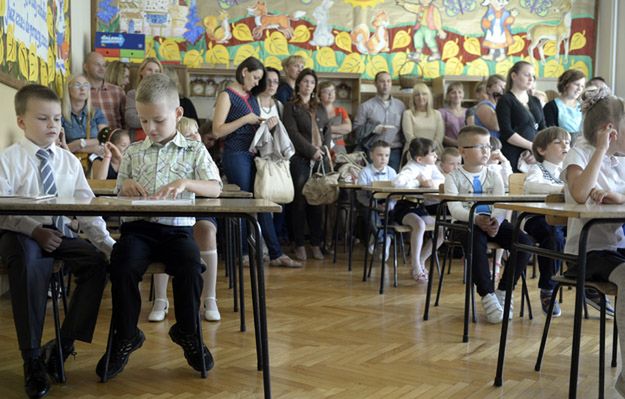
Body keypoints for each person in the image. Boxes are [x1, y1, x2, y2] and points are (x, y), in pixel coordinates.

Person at [95, 74, 221, 380]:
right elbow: (118, 188)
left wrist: (186, 182)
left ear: (177, 114)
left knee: (191, 265)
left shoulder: (193, 150)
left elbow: (215, 187)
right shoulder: (135, 152)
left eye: (158, 121)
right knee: (122, 264)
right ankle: (126, 334)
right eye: (144, 120)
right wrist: (125, 187)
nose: (150, 128)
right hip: (138, 229)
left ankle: (188, 332)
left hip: (177, 230)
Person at [0, 84, 114, 398]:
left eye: (57, 119)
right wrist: (34, 230)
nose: (53, 126)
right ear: (22, 122)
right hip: (21, 234)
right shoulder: (8, 160)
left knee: (96, 263)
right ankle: (32, 358)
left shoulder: (68, 162)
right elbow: (2, 210)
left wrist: (107, 245)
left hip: (60, 234)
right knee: (28, 261)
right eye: (43, 119)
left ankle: (62, 346)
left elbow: (87, 209)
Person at [560, 87, 625, 396]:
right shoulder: (581, 152)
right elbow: (579, 193)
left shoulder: (621, 160)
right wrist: (600, 149)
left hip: (617, 249)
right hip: (588, 252)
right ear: (608, 131)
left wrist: (615, 197)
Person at [212, 57, 300, 267]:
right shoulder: (227, 96)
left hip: (253, 154)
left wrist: (266, 126)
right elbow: (217, 131)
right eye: (255, 77)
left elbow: (252, 124)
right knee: (244, 203)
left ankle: (275, 253)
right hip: (235, 154)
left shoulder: (250, 96)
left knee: (263, 199)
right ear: (244, 72)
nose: (255, 82)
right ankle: (242, 253)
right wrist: (246, 119)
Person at [445, 125, 533, 323]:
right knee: (475, 242)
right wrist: (477, 219)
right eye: (479, 146)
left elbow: (500, 203)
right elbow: (455, 209)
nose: (486, 151)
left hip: (494, 222)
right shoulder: (453, 177)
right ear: (462, 151)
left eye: (487, 146)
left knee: (524, 241)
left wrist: (496, 221)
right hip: (465, 223)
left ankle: (504, 290)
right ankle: (487, 295)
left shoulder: (494, 175)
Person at [149, 117, 222, 322]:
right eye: (189, 134)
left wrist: (189, 184)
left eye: (196, 132)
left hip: (199, 209)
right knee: (161, 230)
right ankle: (160, 300)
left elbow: (214, 187)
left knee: (207, 231)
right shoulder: (170, 156)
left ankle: (210, 298)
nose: (196, 137)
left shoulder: (202, 153)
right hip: (173, 210)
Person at [282, 68, 331, 261]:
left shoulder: (319, 107)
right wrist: (312, 151)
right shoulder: (290, 106)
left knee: (317, 202)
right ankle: (299, 244)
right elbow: (292, 134)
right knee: (299, 204)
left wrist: (324, 150)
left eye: (311, 82)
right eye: (305, 81)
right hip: (300, 160)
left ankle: (316, 244)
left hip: (321, 160)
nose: (308, 85)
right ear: (299, 84)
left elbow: (327, 130)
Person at [523, 127, 569, 317]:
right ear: (542, 150)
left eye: (567, 142)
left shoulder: (570, 170)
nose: (565, 145)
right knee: (553, 236)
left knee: (588, 234)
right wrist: (562, 188)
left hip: (566, 219)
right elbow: (531, 185)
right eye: (558, 142)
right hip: (538, 218)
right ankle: (548, 289)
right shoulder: (537, 168)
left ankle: (589, 284)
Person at [392, 138, 445, 281]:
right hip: (405, 207)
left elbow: (442, 180)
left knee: (440, 230)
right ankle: (415, 265)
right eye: (432, 153)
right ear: (420, 159)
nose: (435, 156)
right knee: (419, 225)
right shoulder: (410, 168)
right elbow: (397, 184)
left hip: (420, 207)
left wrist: (430, 183)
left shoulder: (431, 166)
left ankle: (421, 259)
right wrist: (418, 182)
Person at [496, 61, 545, 172]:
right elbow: (507, 132)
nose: (531, 79)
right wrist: (532, 146)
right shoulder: (505, 100)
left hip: (534, 155)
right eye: (527, 75)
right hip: (512, 154)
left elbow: (542, 128)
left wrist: (537, 151)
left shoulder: (535, 100)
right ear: (514, 76)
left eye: (533, 76)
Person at [353, 71, 405, 171]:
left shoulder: (400, 106)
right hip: (373, 151)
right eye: (382, 81)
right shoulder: (365, 106)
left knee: (393, 183)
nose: (385, 84)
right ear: (375, 84)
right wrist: (374, 129)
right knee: (373, 182)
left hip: (394, 151)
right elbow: (356, 131)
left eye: (388, 81)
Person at [357, 140, 397, 260]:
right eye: (380, 155)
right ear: (371, 155)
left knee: (395, 214)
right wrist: (375, 206)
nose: (383, 158)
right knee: (371, 214)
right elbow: (360, 195)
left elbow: (396, 194)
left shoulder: (392, 172)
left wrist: (390, 205)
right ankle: (384, 240)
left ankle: (380, 238)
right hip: (370, 203)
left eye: (386, 155)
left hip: (388, 203)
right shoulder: (365, 172)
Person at [61, 74, 108, 160]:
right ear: (68, 89)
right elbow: (59, 148)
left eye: (86, 85)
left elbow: (105, 139)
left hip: (95, 162)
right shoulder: (60, 114)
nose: (82, 89)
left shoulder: (96, 112)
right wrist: (87, 146)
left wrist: (77, 145)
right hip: (69, 161)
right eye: (77, 85)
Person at [84, 52, 126, 129]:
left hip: (115, 138)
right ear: (86, 67)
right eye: (97, 64)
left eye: (104, 65)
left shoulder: (117, 91)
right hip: (89, 139)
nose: (102, 68)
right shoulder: (81, 91)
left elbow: (126, 122)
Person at [543, 69, 585, 143]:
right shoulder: (551, 107)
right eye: (576, 84)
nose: (579, 89)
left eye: (582, 86)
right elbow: (550, 135)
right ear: (566, 84)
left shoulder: (583, 106)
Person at [401, 82, 444, 156]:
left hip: (434, 152)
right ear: (413, 98)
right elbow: (409, 136)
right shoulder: (408, 114)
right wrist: (421, 150)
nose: (421, 97)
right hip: (414, 152)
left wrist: (429, 150)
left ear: (429, 96)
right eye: (417, 95)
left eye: (424, 94)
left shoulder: (437, 114)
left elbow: (439, 136)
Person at [125, 57, 163, 134]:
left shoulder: (165, 94)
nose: (153, 73)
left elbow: (171, 120)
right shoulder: (132, 94)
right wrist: (158, 120)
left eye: (157, 71)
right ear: (141, 72)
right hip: (138, 136)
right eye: (149, 70)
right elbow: (131, 120)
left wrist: (146, 119)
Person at [318, 81, 352, 154]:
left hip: (339, 149)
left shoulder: (340, 110)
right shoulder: (315, 111)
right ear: (319, 95)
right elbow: (315, 131)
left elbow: (348, 128)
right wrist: (338, 133)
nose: (330, 94)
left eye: (332, 91)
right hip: (321, 148)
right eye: (326, 92)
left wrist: (325, 130)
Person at [474, 74, 505, 138]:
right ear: (488, 89)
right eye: (500, 86)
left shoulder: (497, 105)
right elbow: (496, 126)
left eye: (504, 86)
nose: (503, 89)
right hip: (487, 145)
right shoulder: (484, 106)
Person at [438, 82, 467, 147]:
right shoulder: (442, 112)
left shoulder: (468, 111)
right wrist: (457, 144)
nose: (457, 95)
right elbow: (440, 135)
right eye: (453, 93)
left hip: (467, 148)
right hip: (449, 149)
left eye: (459, 92)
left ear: (463, 95)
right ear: (448, 95)